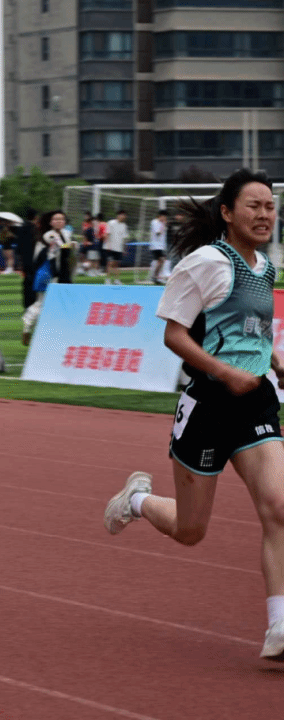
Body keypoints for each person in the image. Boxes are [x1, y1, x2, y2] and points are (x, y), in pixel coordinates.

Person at [102, 169, 284, 661]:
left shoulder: (265, 266)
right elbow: (174, 335)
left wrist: (274, 361)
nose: (264, 214)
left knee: (280, 507)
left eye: (269, 206)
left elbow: (252, 328)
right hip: (208, 405)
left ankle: (279, 626)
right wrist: (224, 372)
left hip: (256, 403)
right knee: (190, 530)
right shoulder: (205, 263)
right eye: (253, 206)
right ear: (227, 213)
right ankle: (137, 500)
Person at [21, 210, 62, 345]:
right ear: (50, 222)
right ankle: (28, 324)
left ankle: (34, 328)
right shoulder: (51, 235)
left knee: (45, 303)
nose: (60, 222)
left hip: (46, 272)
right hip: (47, 273)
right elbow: (61, 247)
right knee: (41, 303)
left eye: (62, 219)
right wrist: (73, 244)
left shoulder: (51, 235)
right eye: (56, 219)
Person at [17, 209, 40, 309]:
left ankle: (26, 303)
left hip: (25, 259)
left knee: (26, 281)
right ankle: (33, 302)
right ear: (35, 217)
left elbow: (19, 246)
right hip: (34, 259)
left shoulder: (21, 228)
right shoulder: (35, 229)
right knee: (34, 280)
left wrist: (20, 260)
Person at [104, 209, 129, 285]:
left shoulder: (124, 226)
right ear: (118, 215)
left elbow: (124, 238)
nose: (124, 217)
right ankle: (107, 280)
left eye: (125, 215)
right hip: (110, 247)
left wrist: (124, 249)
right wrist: (108, 245)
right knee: (110, 263)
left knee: (117, 264)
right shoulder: (111, 223)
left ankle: (116, 280)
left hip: (119, 248)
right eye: (122, 215)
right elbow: (107, 234)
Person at [149, 209, 168, 284]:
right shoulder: (155, 222)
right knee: (161, 260)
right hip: (155, 246)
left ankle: (155, 277)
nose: (165, 218)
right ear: (160, 216)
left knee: (161, 261)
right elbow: (158, 233)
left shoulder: (162, 223)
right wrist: (163, 225)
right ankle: (154, 276)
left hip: (161, 246)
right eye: (164, 216)